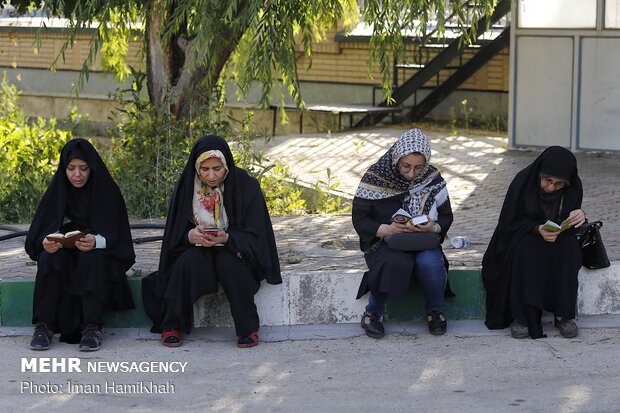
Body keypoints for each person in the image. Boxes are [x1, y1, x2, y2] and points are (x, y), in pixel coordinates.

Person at [142, 135, 281, 348]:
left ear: (226, 165)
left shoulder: (246, 186)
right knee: (187, 262)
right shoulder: (186, 187)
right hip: (198, 248)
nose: (211, 175)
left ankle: (248, 329)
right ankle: (172, 324)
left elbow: (256, 233)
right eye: (205, 169)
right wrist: (190, 236)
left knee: (230, 265)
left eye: (217, 168)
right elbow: (175, 233)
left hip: (232, 249)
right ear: (196, 168)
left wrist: (228, 237)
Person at [25, 138, 136, 351]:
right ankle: (44, 326)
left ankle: (92, 327)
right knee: (48, 258)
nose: (77, 175)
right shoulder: (57, 192)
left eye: (84, 168)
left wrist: (97, 241)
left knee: (92, 256)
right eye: (71, 168)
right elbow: (37, 236)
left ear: (92, 168)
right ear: (63, 169)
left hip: (96, 257)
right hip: (63, 255)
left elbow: (120, 239)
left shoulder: (107, 192)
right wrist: (46, 242)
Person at [352, 128, 453, 337]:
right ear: (396, 158)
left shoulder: (432, 177)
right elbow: (360, 218)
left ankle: (434, 312)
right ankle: (373, 313)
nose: (411, 173)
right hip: (386, 242)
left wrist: (432, 227)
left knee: (431, 263)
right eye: (406, 166)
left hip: (423, 241)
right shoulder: (376, 176)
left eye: (418, 167)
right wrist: (387, 229)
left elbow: (446, 216)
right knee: (395, 262)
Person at [482, 146, 586, 339]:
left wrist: (579, 216)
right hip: (522, 236)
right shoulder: (523, 182)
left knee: (571, 249)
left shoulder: (573, 186)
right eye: (547, 180)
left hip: (557, 237)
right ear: (540, 173)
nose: (551, 188)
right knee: (527, 250)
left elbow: (570, 225)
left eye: (558, 184)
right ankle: (523, 317)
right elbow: (508, 224)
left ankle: (563, 315)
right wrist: (537, 229)